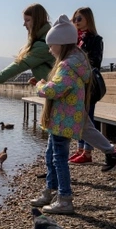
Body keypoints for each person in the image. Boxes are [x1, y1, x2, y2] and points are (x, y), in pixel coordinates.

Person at [30, 15, 91, 214]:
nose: (50, 50)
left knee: (59, 159)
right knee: (51, 156)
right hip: (63, 119)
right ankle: (51, 190)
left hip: (62, 120)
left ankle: (64, 198)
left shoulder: (67, 66)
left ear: (61, 44)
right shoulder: (75, 62)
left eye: (51, 46)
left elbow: (55, 90)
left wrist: (40, 85)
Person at [68, 7, 116, 171]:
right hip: (76, 82)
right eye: (74, 19)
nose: (76, 21)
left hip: (88, 83)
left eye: (79, 18)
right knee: (79, 116)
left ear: (88, 19)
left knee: (88, 116)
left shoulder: (95, 39)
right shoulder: (74, 38)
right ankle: (80, 149)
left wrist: (79, 58)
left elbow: (95, 62)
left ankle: (88, 152)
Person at [0, 3, 55, 87]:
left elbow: (21, 64)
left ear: (37, 21)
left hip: (56, 91)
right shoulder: (47, 39)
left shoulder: (43, 44)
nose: (24, 24)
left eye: (27, 20)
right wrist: (40, 77)